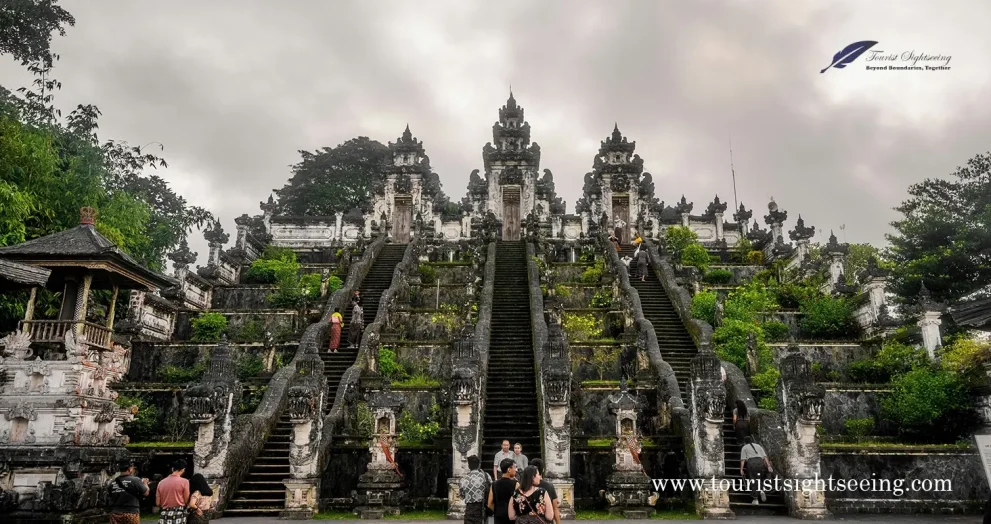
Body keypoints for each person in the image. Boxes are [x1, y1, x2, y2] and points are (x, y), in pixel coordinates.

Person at [739, 436, 772, 505]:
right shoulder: (758, 446)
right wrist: (768, 466)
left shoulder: (744, 447)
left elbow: (743, 460)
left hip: (751, 463)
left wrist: (741, 469)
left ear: (745, 442)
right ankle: (762, 490)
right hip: (760, 462)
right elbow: (765, 457)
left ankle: (755, 498)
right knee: (761, 478)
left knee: (753, 479)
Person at [459, 456, 492, 524]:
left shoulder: (464, 479)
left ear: (469, 465)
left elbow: (462, 496)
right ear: (479, 464)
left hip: (469, 508)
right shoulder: (486, 476)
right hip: (482, 508)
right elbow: (491, 489)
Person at [156, 459, 190, 524]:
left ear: (172, 469)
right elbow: (186, 500)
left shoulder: (161, 483)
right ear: (183, 469)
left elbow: (157, 503)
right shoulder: (185, 482)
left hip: (164, 514)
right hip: (179, 514)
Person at [488, 458, 519, 524]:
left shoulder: (494, 484)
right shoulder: (516, 484)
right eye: (514, 467)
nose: (516, 470)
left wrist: (497, 510)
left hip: (498, 517)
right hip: (511, 518)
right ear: (509, 469)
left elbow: (489, 504)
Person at [530, 459, 560, 524]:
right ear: (543, 470)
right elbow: (555, 508)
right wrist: (558, 522)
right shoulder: (549, 486)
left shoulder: (524, 487)